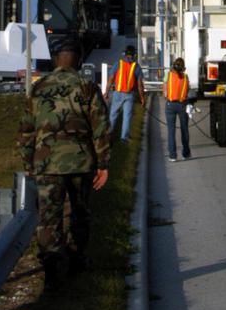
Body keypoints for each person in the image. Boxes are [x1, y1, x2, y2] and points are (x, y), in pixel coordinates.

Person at [19, 33, 110, 290]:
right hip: (81, 163)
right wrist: (103, 165)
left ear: (55, 59)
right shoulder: (87, 87)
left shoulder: (38, 89)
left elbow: (26, 132)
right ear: (78, 59)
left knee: (49, 217)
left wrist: (29, 166)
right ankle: (76, 259)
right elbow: (101, 129)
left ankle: (51, 269)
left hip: (46, 164)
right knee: (79, 214)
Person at [106, 43, 145, 141]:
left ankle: (109, 135)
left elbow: (110, 79)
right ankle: (124, 137)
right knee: (127, 116)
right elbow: (140, 85)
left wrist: (106, 92)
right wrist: (142, 98)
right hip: (129, 94)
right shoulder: (136, 67)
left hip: (117, 93)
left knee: (113, 115)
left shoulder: (118, 63)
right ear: (134, 54)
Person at [165, 57, 191, 162]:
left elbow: (164, 90)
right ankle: (185, 154)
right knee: (184, 130)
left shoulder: (168, 75)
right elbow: (188, 90)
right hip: (182, 105)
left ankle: (172, 155)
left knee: (171, 132)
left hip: (170, 105)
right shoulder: (185, 77)